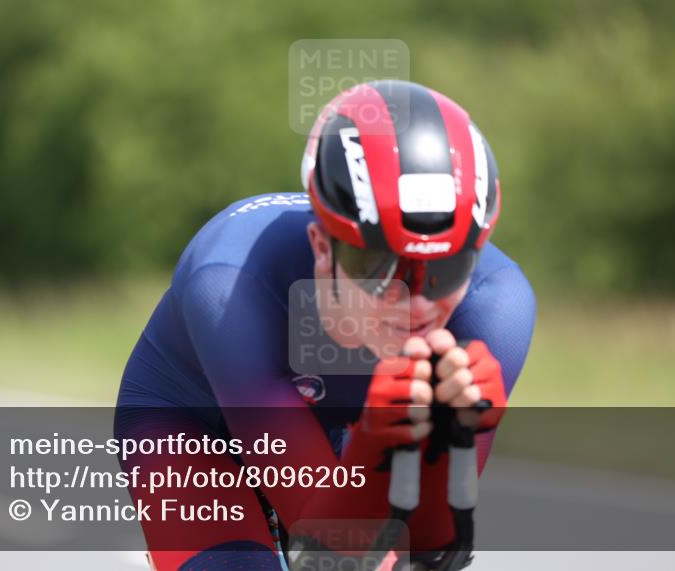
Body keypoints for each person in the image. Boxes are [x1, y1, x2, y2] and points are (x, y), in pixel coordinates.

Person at [115, 80, 537, 570]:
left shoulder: (496, 307)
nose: (414, 301)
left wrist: (445, 444)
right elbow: (325, 546)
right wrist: (378, 442)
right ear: (322, 247)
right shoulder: (229, 285)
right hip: (193, 424)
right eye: (377, 266)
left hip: (346, 428)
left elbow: (427, 547)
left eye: (447, 268)